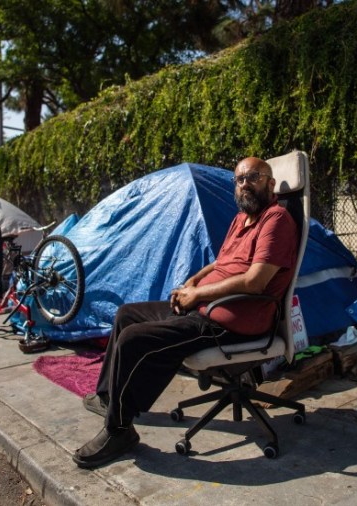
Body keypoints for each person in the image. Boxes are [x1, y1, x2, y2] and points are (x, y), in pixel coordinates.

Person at [73, 156, 299, 469]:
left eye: (253, 177)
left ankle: (119, 430)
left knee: (134, 340)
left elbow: (256, 281)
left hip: (232, 322)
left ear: (271, 183)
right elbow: (220, 264)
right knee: (127, 314)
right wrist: (190, 283)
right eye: (239, 179)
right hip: (205, 307)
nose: (245, 183)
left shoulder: (276, 220)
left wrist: (196, 295)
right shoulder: (241, 220)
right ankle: (109, 397)